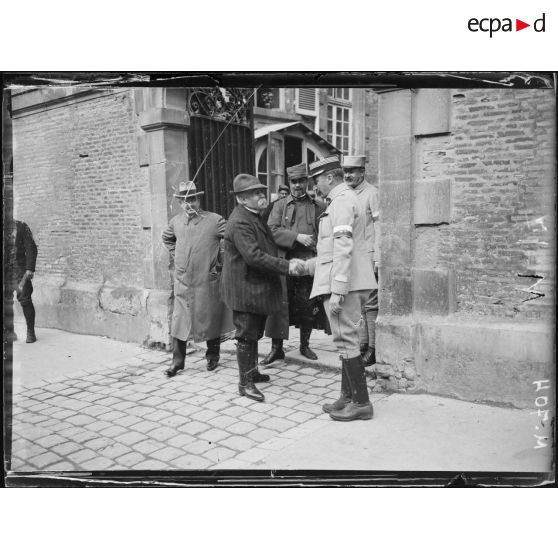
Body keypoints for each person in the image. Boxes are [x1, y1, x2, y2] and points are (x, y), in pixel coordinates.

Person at [301, 156, 376, 421]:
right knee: (345, 340)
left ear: (329, 178)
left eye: (317, 180)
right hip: (351, 279)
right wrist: (309, 266)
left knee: (346, 340)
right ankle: (348, 397)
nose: (315, 185)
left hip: (347, 282)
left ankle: (361, 403)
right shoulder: (342, 200)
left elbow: (343, 245)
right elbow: (333, 249)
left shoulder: (342, 201)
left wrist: (338, 289)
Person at [220, 174, 304, 402]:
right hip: (244, 288)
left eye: (260, 191)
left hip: (252, 286)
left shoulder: (252, 215)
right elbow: (254, 256)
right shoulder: (239, 222)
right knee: (247, 334)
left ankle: (252, 372)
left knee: (254, 331)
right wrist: (287, 266)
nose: (261, 195)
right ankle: (244, 383)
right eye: (255, 193)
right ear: (241, 199)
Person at [162, 181, 232, 377]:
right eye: (184, 201)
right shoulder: (175, 222)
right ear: (180, 203)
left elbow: (232, 238)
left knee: (210, 318)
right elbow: (166, 238)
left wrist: (220, 261)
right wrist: (177, 255)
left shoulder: (215, 220)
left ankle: (212, 357)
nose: (189, 204)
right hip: (183, 281)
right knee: (179, 321)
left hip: (206, 281)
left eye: (192, 199)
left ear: (198, 199)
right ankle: (177, 362)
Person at [261, 162, 328, 365]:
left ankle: (304, 345)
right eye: (293, 181)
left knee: (307, 305)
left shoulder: (318, 206)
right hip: (285, 263)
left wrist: (316, 245)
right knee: (280, 306)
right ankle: (276, 348)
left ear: (307, 181)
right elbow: (270, 230)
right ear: (288, 182)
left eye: (301, 181)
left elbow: (324, 233)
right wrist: (297, 237)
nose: (297, 185)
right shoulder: (279, 206)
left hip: (308, 264)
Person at [342, 155, 380, 367]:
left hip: (367, 256)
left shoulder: (372, 193)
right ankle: (362, 344)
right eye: (345, 171)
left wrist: (377, 256)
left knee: (371, 303)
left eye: (353, 171)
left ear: (362, 172)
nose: (348, 175)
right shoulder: (346, 194)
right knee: (357, 303)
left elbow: (379, 225)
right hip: (351, 258)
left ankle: (372, 349)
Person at [9, 220, 38, 343]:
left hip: (20, 270)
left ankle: (30, 332)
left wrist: (29, 268)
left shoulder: (21, 227)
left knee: (25, 300)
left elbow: (31, 247)